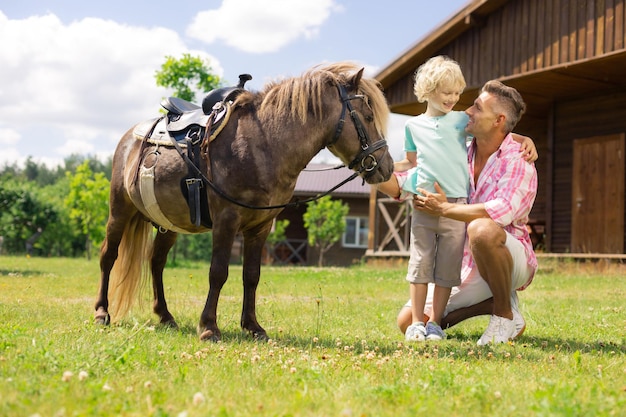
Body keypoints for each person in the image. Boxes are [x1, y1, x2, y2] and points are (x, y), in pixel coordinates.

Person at [377, 56, 536, 343]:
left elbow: (502, 211)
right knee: (407, 321)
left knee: (482, 227)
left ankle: (504, 316)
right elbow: (414, 172)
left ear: (498, 120)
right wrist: (374, 172)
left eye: (477, 107)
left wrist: (447, 208)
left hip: (509, 255)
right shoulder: (459, 148)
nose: (467, 109)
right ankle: (488, 305)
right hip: (469, 260)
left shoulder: (519, 160)